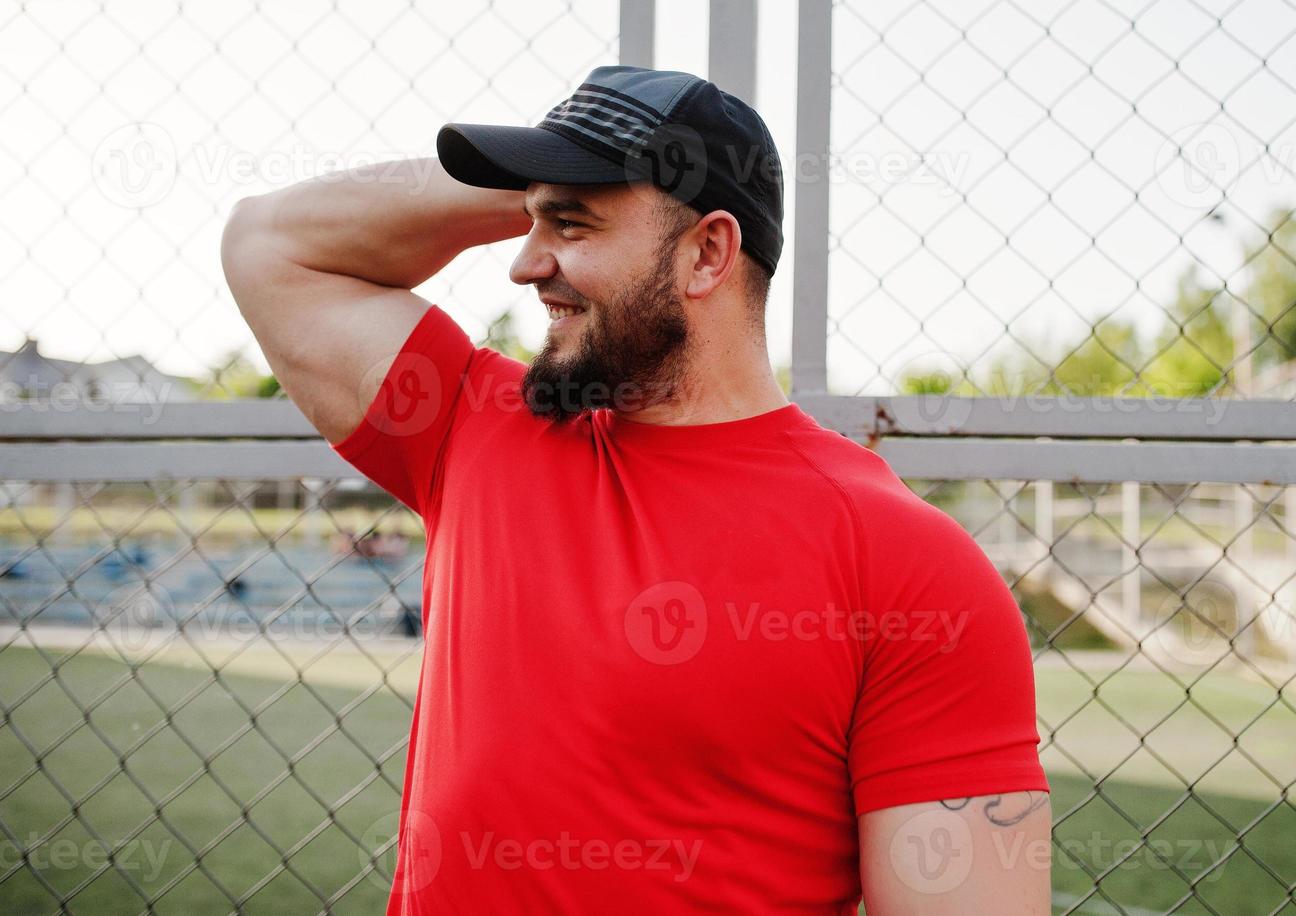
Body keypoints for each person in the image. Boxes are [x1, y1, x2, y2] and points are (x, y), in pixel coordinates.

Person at [221, 65, 1050, 914]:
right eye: (529, 221)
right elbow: (265, 242)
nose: (523, 265)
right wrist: (546, 184)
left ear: (707, 253)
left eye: (572, 225)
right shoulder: (475, 434)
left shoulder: (906, 562)